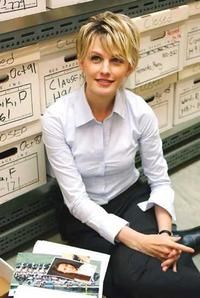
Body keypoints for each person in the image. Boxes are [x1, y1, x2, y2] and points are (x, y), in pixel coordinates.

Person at [42, 11, 200, 298]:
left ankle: (176, 240)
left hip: (129, 198)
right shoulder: (55, 118)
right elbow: (76, 201)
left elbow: (160, 181)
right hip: (82, 215)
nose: (105, 70)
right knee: (129, 277)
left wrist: (163, 235)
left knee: (152, 263)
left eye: (116, 60)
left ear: (129, 67)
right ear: (81, 62)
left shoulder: (140, 111)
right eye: (96, 58)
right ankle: (184, 241)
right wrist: (141, 241)